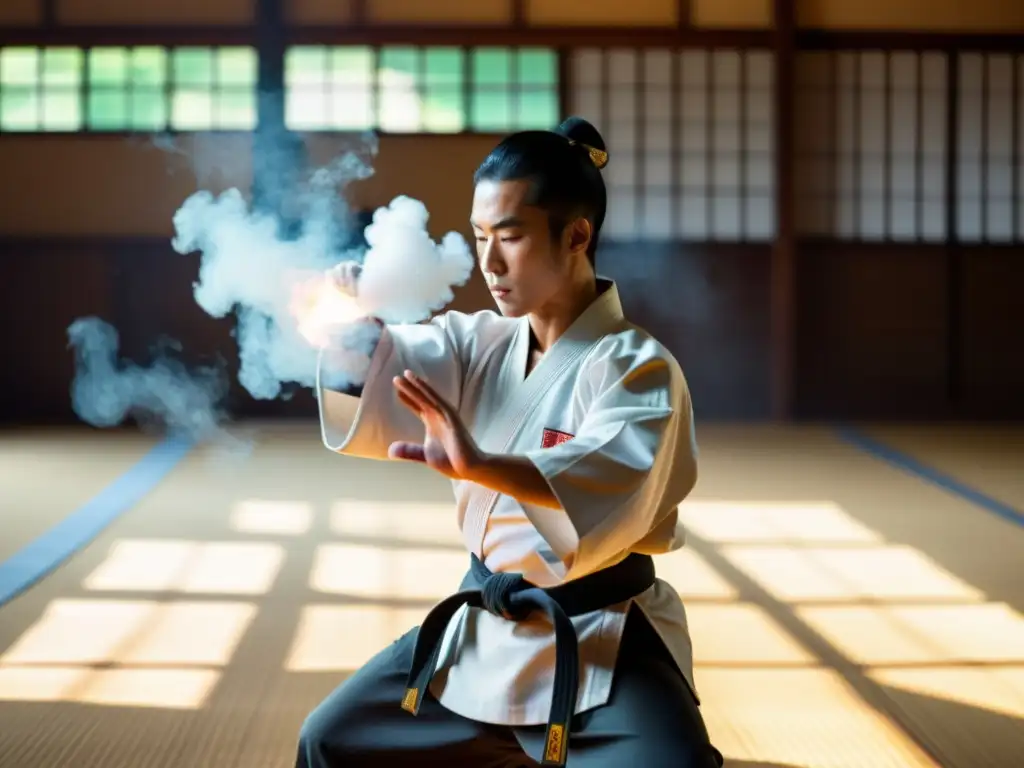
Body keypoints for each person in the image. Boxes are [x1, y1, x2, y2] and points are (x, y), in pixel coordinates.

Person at [299, 116, 722, 767]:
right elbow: (387, 365)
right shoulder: (478, 342)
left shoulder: (638, 368)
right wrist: (354, 326)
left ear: (577, 235)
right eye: (479, 238)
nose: (489, 263)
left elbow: (611, 485)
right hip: (483, 629)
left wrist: (484, 466)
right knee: (330, 740)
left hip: (599, 633)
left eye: (511, 237)